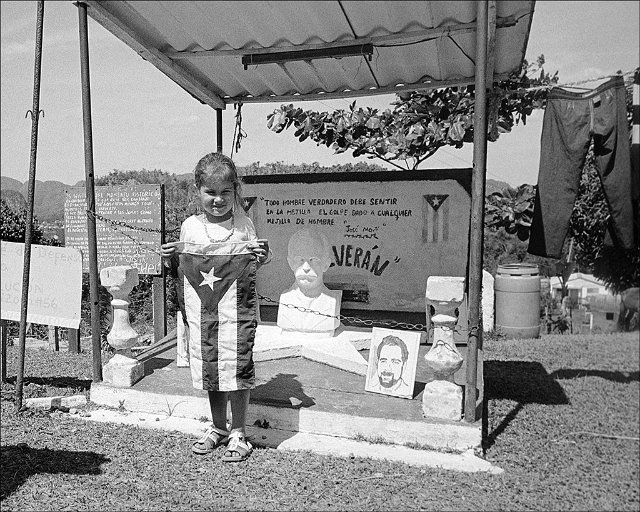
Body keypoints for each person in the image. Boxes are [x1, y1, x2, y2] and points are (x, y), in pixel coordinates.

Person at [161, 152, 271, 462]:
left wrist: (261, 255)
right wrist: (172, 254)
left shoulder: (243, 224)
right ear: (197, 190)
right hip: (205, 312)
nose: (218, 200)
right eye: (211, 192)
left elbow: (253, 264)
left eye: (225, 192)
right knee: (211, 364)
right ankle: (217, 427)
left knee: (236, 365)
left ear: (235, 190)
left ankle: (238, 431)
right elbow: (186, 266)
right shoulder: (190, 227)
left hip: (236, 312)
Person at [277, 228, 342, 336]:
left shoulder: (332, 301)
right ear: (290, 263)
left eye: (313, 260)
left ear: (326, 264)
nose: (306, 267)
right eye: (300, 260)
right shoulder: (285, 298)